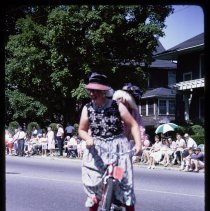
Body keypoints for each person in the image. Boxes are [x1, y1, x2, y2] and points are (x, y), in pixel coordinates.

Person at [78, 72, 141, 211]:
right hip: (96, 149)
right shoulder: (87, 108)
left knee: (124, 184)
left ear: (103, 91)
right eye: (90, 90)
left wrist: (138, 144)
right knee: (94, 186)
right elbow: (81, 130)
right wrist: (88, 138)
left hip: (118, 149)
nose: (91, 93)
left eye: (95, 90)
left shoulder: (117, 106)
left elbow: (133, 125)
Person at [113, 83, 145, 163]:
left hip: (126, 147)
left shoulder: (134, 113)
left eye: (122, 99)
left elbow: (139, 128)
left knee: (123, 171)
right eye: (118, 99)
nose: (120, 101)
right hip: (111, 146)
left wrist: (139, 145)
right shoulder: (113, 109)